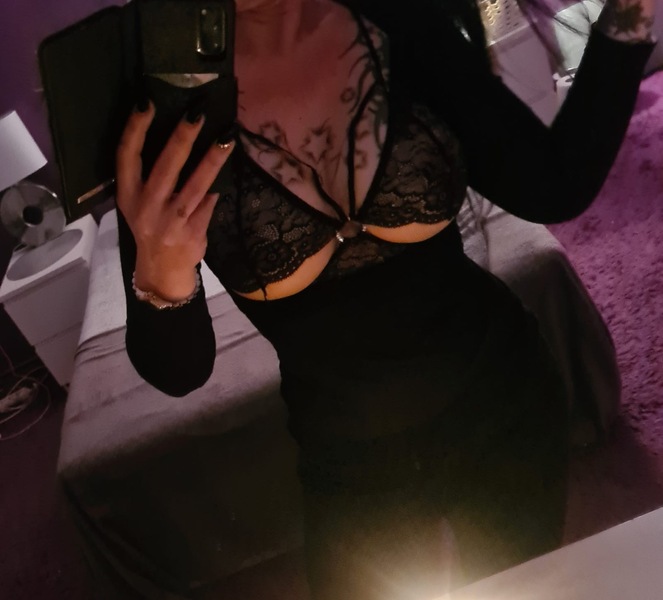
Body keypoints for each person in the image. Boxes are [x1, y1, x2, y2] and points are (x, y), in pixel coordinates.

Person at [115, 0, 656, 597]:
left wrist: (631, 12)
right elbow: (179, 371)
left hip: (507, 401)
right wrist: (161, 279)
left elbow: (550, 184)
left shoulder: (396, 15)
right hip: (349, 468)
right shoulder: (156, 86)